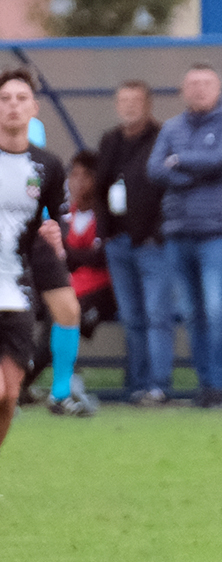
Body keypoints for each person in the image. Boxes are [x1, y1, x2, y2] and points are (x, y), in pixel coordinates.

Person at [147, 64, 222, 408]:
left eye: (206, 83)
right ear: (182, 90)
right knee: (192, 312)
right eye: (192, 83)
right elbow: (154, 169)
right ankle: (205, 383)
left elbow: (221, 159)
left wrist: (180, 160)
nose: (199, 89)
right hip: (178, 231)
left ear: (218, 88)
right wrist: (192, 173)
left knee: (217, 308)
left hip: (218, 232)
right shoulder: (172, 126)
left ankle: (220, 383)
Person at [0, 68, 91, 424]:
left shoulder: (43, 156)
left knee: (68, 309)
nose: (14, 106)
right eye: (7, 99)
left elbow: (55, 210)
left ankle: (61, 392)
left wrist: (57, 232)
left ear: (34, 105)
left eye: (22, 98)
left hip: (33, 242)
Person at [96, 80, 172, 405]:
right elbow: (98, 188)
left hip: (152, 242)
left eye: (135, 101)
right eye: (123, 100)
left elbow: (168, 188)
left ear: (148, 104)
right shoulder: (110, 140)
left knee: (157, 314)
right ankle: (138, 383)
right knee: (131, 316)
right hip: (118, 241)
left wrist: (157, 232)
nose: (128, 106)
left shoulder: (161, 137)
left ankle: (159, 385)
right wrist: (105, 231)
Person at [25, 151, 116, 402]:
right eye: (73, 174)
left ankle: (33, 383)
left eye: (86, 176)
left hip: (99, 293)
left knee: (60, 315)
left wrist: (68, 253)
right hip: (69, 286)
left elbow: (99, 257)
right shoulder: (65, 214)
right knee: (43, 310)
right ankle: (47, 386)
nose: (78, 181)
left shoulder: (105, 215)